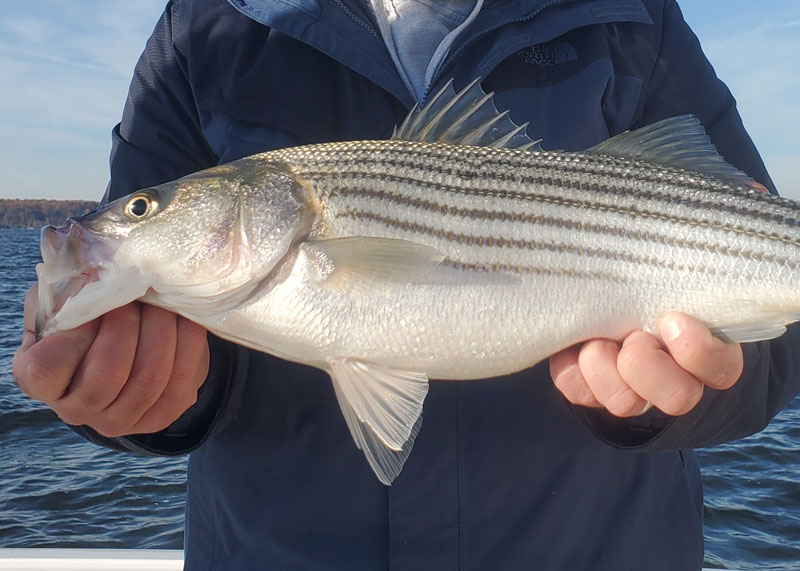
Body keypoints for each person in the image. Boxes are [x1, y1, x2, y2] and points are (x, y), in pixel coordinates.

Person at [12, 0, 800, 568]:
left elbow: (774, 358)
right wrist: (141, 396)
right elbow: (129, 336)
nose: (129, 217)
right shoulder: (204, 27)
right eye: (144, 208)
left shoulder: (635, 17)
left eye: (142, 210)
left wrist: (674, 398)